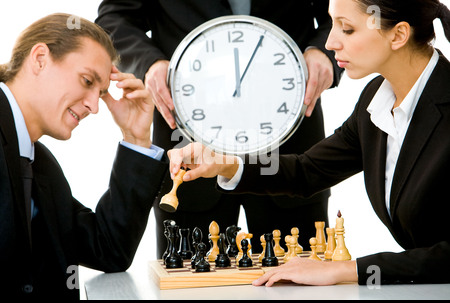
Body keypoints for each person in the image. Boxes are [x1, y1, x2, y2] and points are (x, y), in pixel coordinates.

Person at [168, 0, 450, 285]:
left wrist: (345, 269)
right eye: (332, 24)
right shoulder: (376, 99)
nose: (330, 42)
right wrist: (224, 164)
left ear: (398, 35)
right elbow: (308, 171)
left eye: (347, 29)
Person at [96, 0, 343, 256]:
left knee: (301, 283)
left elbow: (348, 9)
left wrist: (325, 50)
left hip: (290, 144)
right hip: (187, 140)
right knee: (192, 285)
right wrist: (149, 63)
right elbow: (114, 19)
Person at [0, 13, 167, 299]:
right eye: (87, 80)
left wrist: (136, 138)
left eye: (101, 92)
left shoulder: (38, 164)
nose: (94, 106)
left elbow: (108, 248)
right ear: (39, 59)